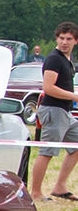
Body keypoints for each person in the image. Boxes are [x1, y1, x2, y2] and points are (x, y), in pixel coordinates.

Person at [29, 21, 78, 201]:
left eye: (69, 39)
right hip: (53, 111)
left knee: (76, 145)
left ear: (75, 41)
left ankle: (60, 186)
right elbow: (48, 88)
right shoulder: (54, 59)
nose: (64, 42)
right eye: (61, 38)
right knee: (47, 152)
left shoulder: (67, 60)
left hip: (65, 113)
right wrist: (74, 97)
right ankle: (35, 192)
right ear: (56, 38)